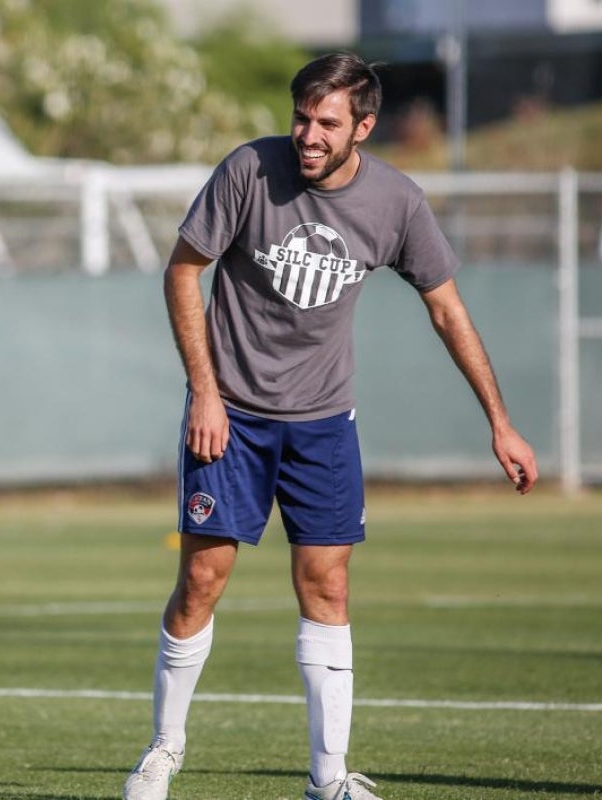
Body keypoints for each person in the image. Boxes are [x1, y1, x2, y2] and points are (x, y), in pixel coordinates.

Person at [121, 52, 539, 800]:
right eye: (301, 118)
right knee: (201, 580)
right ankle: (163, 752)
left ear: (364, 128)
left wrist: (500, 423)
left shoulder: (397, 203)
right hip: (233, 417)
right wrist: (205, 393)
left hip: (322, 427)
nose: (308, 135)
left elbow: (446, 308)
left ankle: (327, 782)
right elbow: (184, 271)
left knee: (328, 587)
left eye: (328, 123)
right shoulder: (249, 170)